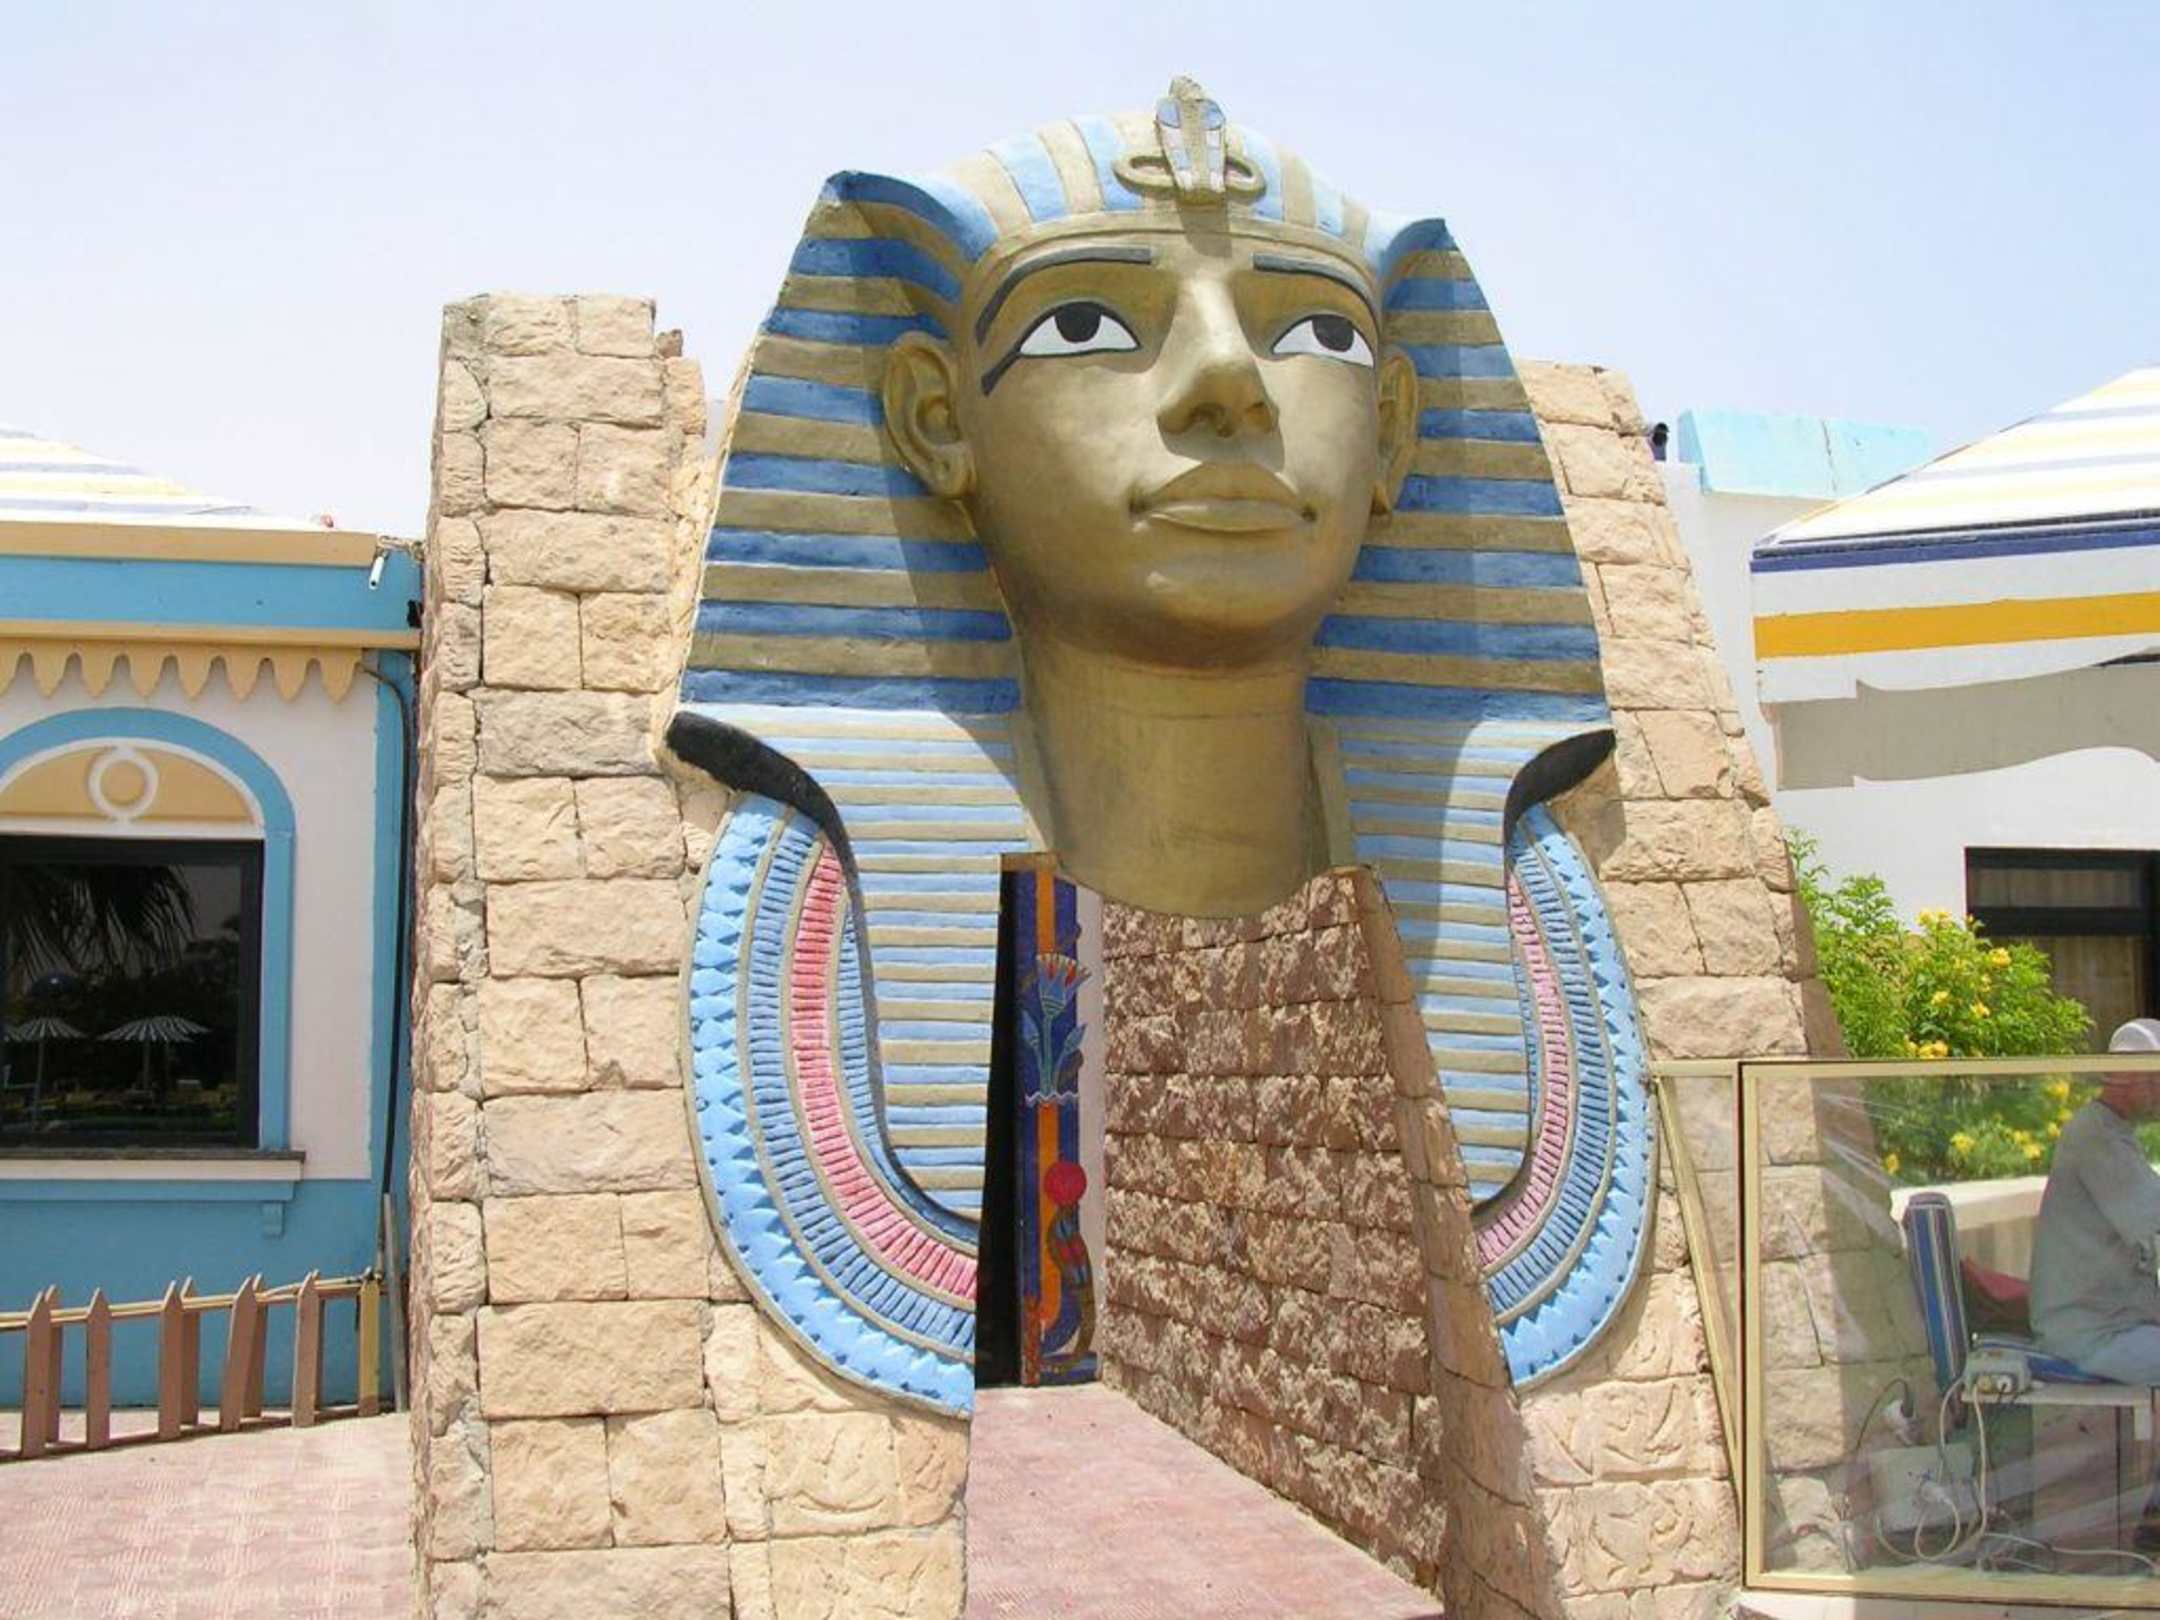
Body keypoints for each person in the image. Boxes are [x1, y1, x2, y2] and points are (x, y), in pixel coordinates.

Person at [2030, 1017, 2160, 1381]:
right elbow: (2153, 1220)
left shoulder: (2112, 1132)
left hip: (2119, 1324)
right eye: (2157, 1078)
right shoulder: (2095, 1136)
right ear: (2130, 1076)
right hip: (2092, 1335)